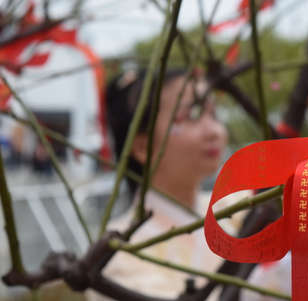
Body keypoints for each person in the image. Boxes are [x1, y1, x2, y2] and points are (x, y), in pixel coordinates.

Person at [87, 67, 242, 300]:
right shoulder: (119, 256)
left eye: (214, 114)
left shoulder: (235, 208)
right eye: (192, 115)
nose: (215, 132)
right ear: (142, 146)